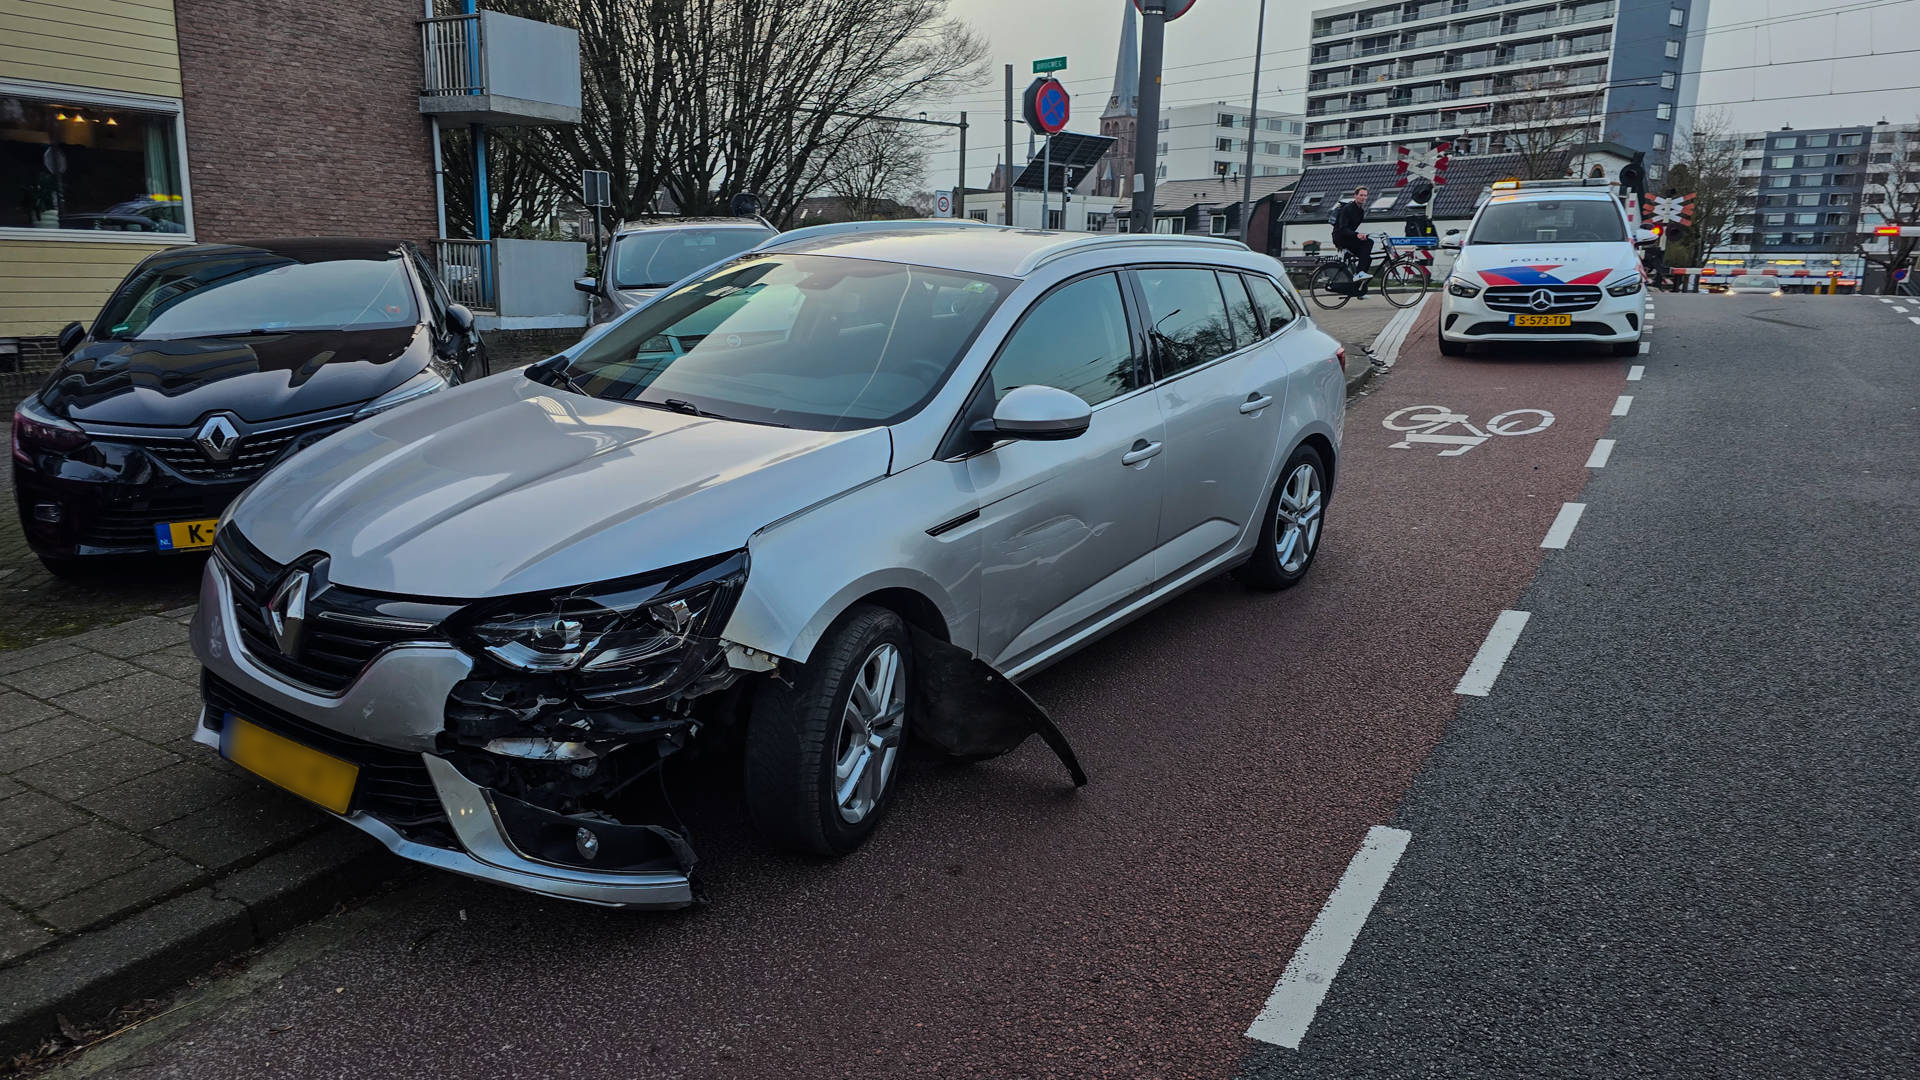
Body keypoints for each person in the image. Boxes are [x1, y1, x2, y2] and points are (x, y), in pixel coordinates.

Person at [1330, 187, 1373, 294]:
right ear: (1355, 196)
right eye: (1361, 195)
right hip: (1340, 237)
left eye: (1365, 195)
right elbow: (1343, 228)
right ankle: (1359, 273)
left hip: (1348, 237)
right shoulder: (1348, 208)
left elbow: (1352, 228)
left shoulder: (1361, 211)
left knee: (1367, 258)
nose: (1363, 197)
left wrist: (1358, 235)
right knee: (1368, 243)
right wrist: (1357, 235)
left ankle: (1358, 289)